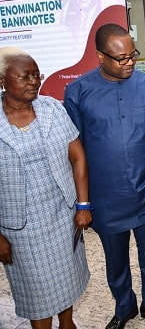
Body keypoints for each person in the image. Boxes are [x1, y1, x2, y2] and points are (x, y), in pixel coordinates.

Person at [64, 24, 145, 329]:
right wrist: (84, 202)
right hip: (106, 198)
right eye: (120, 58)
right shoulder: (78, 92)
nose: (129, 62)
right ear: (100, 56)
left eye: (132, 55)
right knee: (115, 262)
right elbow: (74, 150)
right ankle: (124, 306)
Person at [0, 47, 91, 329]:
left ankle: (67, 324)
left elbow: (77, 156)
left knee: (66, 278)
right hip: (20, 229)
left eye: (36, 75)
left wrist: (83, 205)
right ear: (2, 80)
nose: (33, 81)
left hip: (61, 216)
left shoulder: (51, 108)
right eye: (24, 76)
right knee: (37, 290)